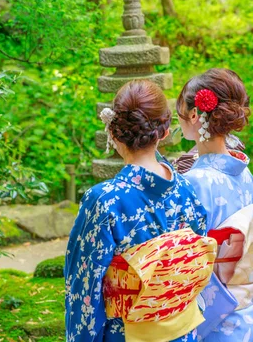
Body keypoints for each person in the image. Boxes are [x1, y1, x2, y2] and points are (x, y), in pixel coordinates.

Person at [64, 80, 216, 342]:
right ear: (165, 132)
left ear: (113, 133)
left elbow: (83, 291)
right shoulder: (187, 191)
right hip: (182, 333)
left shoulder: (104, 201)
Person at [176, 68, 253, 342]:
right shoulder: (244, 172)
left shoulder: (193, 182)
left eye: (180, 109)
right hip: (249, 310)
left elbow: (182, 261)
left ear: (194, 115)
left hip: (212, 317)